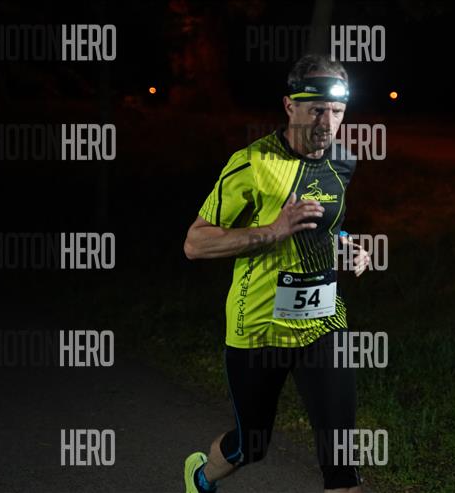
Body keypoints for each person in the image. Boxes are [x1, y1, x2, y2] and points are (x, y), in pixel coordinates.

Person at [182, 54, 370, 493]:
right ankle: (201, 476)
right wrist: (273, 230)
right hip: (258, 327)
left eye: (337, 111)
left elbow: (325, 224)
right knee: (252, 445)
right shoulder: (251, 163)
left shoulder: (343, 162)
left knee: (341, 461)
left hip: (323, 322)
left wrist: (346, 245)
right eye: (317, 110)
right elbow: (195, 243)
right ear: (290, 106)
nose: (328, 122)